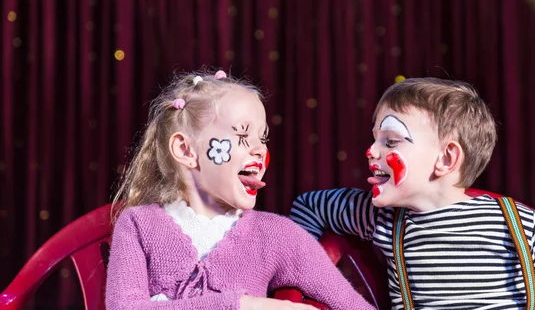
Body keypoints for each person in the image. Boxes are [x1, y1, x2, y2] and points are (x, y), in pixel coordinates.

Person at [290, 77, 535, 310]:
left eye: (391, 141)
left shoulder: (517, 223)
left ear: (447, 159)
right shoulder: (379, 217)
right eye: (375, 139)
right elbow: (308, 207)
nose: (371, 151)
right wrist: (307, 277)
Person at [105, 70, 375, 310]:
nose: (261, 150)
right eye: (243, 135)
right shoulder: (138, 225)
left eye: (263, 138)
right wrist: (245, 305)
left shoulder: (277, 235)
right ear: (186, 150)